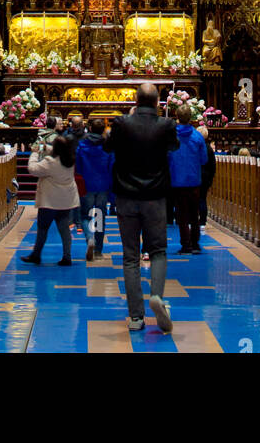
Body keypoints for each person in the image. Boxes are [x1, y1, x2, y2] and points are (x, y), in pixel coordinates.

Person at [107, 82, 179, 333]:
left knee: (130, 257)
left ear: (135, 101)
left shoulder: (122, 124)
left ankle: (136, 317)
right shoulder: (166, 125)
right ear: (158, 102)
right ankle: (157, 296)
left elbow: (108, 146)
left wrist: (127, 120)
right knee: (158, 251)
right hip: (155, 197)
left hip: (126, 196)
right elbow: (174, 147)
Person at [22, 134, 80, 266]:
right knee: (64, 228)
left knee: (43, 228)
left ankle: (36, 255)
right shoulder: (70, 160)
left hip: (50, 202)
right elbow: (57, 150)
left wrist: (34, 154)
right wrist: (43, 147)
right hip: (66, 200)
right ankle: (67, 256)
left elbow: (33, 169)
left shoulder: (50, 163)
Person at [168, 106, 209, 255]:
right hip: (194, 181)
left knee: (181, 215)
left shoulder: (172, 136)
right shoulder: (197, 137)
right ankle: (195, 244)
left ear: (177, 117)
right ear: (191, 117)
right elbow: (204, 159)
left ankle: (185, 245)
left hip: (177, 181)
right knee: (194, 214)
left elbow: (167, 157)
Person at [76, 117, 115, 261]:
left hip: (87, 184)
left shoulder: (82, 145)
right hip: (103, 184)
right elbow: (112, 166)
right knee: (100, 216)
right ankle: (98, 250)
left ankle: (89, 238)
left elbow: (78, 166)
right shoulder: (107, 146)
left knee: (85, 215)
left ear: (90, 129)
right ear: (104, 129)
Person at [197, 123, 216, 229]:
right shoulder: (209, 148)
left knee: (196, 199)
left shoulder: (196, 147)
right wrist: (210, 179)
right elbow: (213, 166)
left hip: (196, 176)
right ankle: (203, 221)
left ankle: (194, 220)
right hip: (205, 178)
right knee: (202, 199)